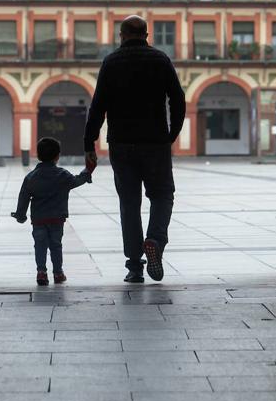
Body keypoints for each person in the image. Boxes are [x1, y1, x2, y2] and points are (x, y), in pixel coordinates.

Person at [84, 15, 185, 284]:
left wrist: (89, 144)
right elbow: (178, 99)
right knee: (162, 195)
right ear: (147, 35)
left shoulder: (111, 62)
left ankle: (134, 266)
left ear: (122, 35)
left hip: (121, 143)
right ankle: (154, 240)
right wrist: (171, 135)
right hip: (155, 143)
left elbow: (98, 107)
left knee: (129, 203)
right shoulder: (161, 59)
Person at [11, 136, 92, 285]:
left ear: (38, 155)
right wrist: (87, 172)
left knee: (40, 245)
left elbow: (23, 196)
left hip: (39, 220)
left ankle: (41, 273)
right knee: (56, 245)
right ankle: (58, 273)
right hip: (56, 219)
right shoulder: (62, 174)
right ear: (57, 156)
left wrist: (21, 215)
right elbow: (76, 181)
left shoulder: (31, 177)